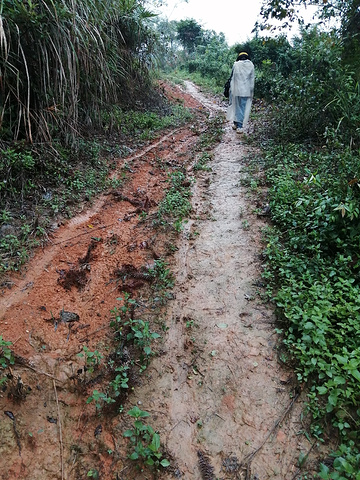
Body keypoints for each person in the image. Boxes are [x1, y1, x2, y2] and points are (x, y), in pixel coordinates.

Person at [226, 52, 255, 134]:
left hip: (236, 89)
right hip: (246, 91)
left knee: (235, 106)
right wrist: (251, 90)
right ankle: (238, 125)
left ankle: (237, 125)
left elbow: (232, 77)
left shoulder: (236, 64)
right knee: (242, 107)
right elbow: (252, 79)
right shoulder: (251, 65)